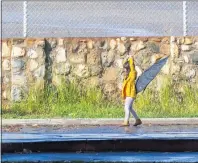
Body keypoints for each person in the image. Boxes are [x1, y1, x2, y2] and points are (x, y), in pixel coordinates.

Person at [121, 51, 142, 127]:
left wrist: (131, 59)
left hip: (131, 93)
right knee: (130, 108)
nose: (124, 70)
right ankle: (137, 120)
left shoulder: (132, 74)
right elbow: (125, 64)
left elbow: (132, 67)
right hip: (128, 94)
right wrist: (126, 58)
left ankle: (126, 121)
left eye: (126, 69)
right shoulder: (126, 77)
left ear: (129, 69)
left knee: (126, 107)